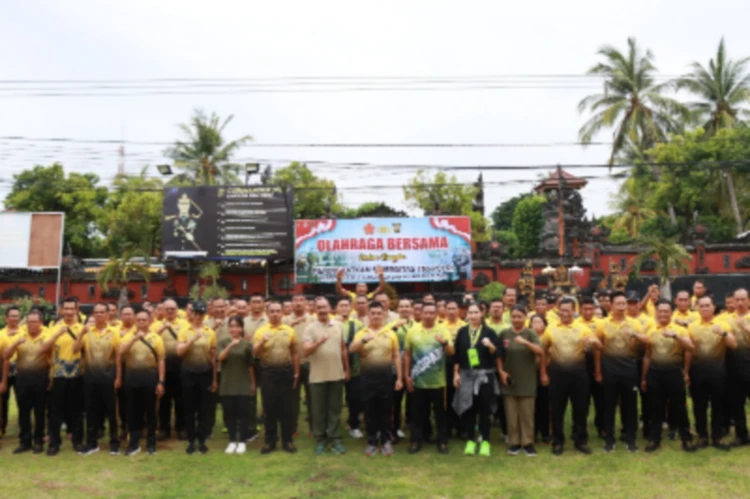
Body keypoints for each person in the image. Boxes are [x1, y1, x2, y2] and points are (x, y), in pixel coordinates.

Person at [542, 298, 600, 456]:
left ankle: (580, 441)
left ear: (574, 311)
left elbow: (599, 347)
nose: (565, 313)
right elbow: (543, 351)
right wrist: (543, 372)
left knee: (580, 409)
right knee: (557, 409)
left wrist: (594, 341)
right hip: (557, 374)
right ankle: (558, 441)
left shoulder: (582, 329)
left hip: (579, 375)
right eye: (562, 310)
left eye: (568, 310)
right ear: (558, 310)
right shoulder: (551, 329)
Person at [594, 291, 646, 453]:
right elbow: (598, 350)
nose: (623, 307)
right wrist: (598, 371)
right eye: (619, 304)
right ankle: (609, 439)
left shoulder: (635, 323)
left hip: (629, 371)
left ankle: (630, 438)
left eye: (624, 303)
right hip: (609, 370)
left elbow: (646, 342)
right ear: (611, 305)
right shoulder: (602, 324)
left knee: (630, 407)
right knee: (609, 406)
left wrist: (634, 334)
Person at [641, 299, 696, 453]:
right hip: (655, 374)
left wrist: (675, 336)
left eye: (666, 311)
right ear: (656, 312)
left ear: (671, 313)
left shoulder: (680, 330)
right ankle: (654, 439)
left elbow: (691, 348)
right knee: (655, 407)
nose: (663, 314)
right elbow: (647, 356)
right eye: (660, 311)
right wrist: (644, 378)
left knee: (680, 407)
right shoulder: (651, 331)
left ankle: (687, 439)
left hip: (674, 373)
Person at [350, 302, 403, 457]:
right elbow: (351, 349)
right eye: (373, 313)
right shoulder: (362, 333)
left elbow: (396, 356)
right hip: (367, 379)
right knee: (370, 411)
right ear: (368, 315)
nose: (376, 316)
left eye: (379, 313)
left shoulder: (390, 333)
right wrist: (365, 339)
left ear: (384, 315)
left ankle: (386, 441)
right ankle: (372, 441)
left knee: (386, 411)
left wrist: (399, 378)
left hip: (386, 378)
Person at [687, 296, 736, 450]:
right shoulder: (692, 327)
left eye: (708, 305)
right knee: (699, 406)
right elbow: (688, 351)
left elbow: (734, 344)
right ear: (697, 308)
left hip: (718, 373)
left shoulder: (722, 325)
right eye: (702, 306)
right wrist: (686, 372)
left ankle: (717, 437)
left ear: (713, 307)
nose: (705, 308)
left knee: (718, 406)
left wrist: (723, 333)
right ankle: (702, 436)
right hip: (698, 373)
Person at [452, 303, 501, 457]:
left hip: (484, 376)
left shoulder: (489, 332)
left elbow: (498, 353)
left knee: (484, 410)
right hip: (466, 375)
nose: (473, 316)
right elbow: (457, 356)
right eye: (470, 313)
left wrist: (490, 345)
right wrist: (456, 374)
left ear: (482, 314)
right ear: (467, 315)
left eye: (476, 312)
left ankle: (485, 440)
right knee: (468, 408)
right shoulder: (462, 332)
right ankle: (471, 440)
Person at [404, 302, 453, 454]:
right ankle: (415, 441)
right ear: (421, 313)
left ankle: (442, 441)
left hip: (438, 382)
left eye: (433, 313)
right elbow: (407, 355)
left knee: (440, 414)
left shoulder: (443, 330)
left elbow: (451, 352)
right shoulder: (413, 331)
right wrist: (406, 375)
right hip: (418, 380)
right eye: (427, 312)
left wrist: (444, 342)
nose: (429, 315)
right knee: (418, 414)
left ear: (436, 314)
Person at [73, 303, 122, 455]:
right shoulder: (87, 332)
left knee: (112, 413)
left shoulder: (114, 332)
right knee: (91, 412)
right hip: (90, 379)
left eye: (102, 312)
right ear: (93, 315)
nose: (99, 315)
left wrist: (119, 377)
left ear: (108, 314)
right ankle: (91, 443)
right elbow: (75, 350)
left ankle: (114, 443)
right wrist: (81, 333)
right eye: (96, 313)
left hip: (108, 378)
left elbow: (118, 356)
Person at [498, 305, 547, 457]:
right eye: (514, 316)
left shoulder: (530, 333)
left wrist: (525, 342)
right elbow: (499, 355)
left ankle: (527, 443)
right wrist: (501, 371)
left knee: (527, 413)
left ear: (525, 317)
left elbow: (540, 352)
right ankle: (514, 443)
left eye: (520, 316)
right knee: (511, 414)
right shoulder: (504, 333)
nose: (516, 319)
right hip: (510, 379)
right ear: (510, 317)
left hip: (527, 378)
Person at [304, 297, 349, 455]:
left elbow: (343, 349)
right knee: (319, 410)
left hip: (336, 374)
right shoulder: (310, 328)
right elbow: (306, 351)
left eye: (325, 306)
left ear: (330, 307)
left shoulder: (339, 325)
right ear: (315, 309)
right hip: (317, 376)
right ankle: (320, 439)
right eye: (319, 307)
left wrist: (347, 369)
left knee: (335, 409)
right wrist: (319, 342)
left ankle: (335, 438)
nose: (322, 310)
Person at [0, 310, 49, 454]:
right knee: (24, 412)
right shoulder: (20, 336)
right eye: (29, 322)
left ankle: (38, 441)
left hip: (41, 378)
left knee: (39, 412)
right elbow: (6, 356)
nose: (31, 325)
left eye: (34, 322)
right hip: (23, 379)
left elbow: (52, 360)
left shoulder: (46, 337)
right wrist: (15, 342)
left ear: (41, 323)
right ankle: (25, 442)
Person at [253, 302, 299, 454]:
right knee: (269, 409)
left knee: (287, 409)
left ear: (282, 313)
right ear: (267, 313)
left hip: (286, 373)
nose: (275, 314)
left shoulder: (289, 330)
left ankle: (287, 441)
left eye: (278, 311)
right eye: (272, 311)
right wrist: (262, 341)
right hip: (268, 373)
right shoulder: (261, 331)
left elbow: (295, 353)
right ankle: (270, 441)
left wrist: (296, 372)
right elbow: (255, 353)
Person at [119, 309, 166, 456]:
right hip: (132, 378)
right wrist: (134, 338)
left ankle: (151, 444)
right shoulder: (128, 336)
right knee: (133, 412)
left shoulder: (156, 338)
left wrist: (161, 381)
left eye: (144, 320)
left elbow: (161, 360)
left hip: (150, 377)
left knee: (151, 412)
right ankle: (133, 444)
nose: (141, 322)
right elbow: (120, 352)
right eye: (138, 319)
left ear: (149, 321)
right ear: (134, 321)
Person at [42, 297, 85, 454]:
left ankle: (78, 441)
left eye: (71, 309)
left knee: (77, 410)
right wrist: (56, 334)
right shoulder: (54, 327)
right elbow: (43, 348)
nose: (68, 312)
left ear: (76, 310)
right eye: (65, 309)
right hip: (58, 375)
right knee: (55, 411)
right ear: (61, 310)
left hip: (77, 374)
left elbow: (80, 349)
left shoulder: (82, 328)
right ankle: (54, 443)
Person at [177, 301, 218, 454]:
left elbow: (213, 357)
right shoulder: (184, 331)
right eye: (196, 313)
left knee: (203, 408)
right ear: (192, 314)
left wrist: (214, 379)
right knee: (189, 407)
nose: (199, 316)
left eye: (201, 314)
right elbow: (180, 352)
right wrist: (193, 339)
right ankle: (191, 440)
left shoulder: (210, 332)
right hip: (188, 373)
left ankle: (202, 440)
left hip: (205, 373)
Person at [217, 316, 256, 455]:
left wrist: (252, 383)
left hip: (243, 384)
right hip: (227, 384)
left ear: (241, 328)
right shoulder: (223, 342)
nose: (234, 329)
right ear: (228, 328)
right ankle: (232, 441)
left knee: (243, 415)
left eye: (237, 326)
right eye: (232, 326)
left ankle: (243, 442)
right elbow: (220, 358)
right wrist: (230, 346)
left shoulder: (247, 344)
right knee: (229, 415)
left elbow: (251, 366)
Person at [152, 299, 188, 441]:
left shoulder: (185, 325)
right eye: (167, 309)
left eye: (173, 309)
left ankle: (181, 428)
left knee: (181, 399)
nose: (170, 311)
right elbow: (150, 340)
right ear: (162, 310)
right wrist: (162, 328)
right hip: (162, 366)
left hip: (180, 365)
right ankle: (164, 428)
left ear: (177, 309)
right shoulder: (155, 325)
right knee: (163, 399)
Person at [283, 294, 314, 437]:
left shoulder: (313, 319)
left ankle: (314, 428)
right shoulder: (285, 319)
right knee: (291, 398)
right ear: (292, 303)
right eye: (296, 300)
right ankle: (292, 427)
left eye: (302, 300)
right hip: (290, 364)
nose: (299, 303)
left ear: (306, 303)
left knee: (312, 398)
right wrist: (294, 323)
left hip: (310, 364)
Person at [574, 297, 604, 438]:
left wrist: (598, 371)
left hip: (597, 364)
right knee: (581, 400)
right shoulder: (574, 324)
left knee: (600, 399)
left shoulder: (600, 324)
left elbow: (603, 347)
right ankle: (579, 429)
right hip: (579, 365)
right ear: (580, 309)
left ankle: (601, 426)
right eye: (585, 309)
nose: (588, 311)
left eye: (591, 309)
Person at [336, 298, 364, 439]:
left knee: (354, 398)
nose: (344, 308)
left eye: (347, 305)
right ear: (336, 308)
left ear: (351, 308)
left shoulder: (357, 324)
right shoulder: (332, 323)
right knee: (335, 399)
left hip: (354, 367)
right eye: (341, 305)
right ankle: (333, 427)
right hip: (334, 367)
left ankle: (354, 425)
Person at [388, 298, 414, 441]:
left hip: (413, 368)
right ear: (397, 309)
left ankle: (413, 426)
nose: (404, 309)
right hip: (395, 368)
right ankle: (395, 428)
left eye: (407, 306)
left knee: (414, 400)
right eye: (401, 306)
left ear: (411, 309)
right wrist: (395, 327)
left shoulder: (417, 325)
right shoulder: (391, 326)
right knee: (395, 400)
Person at [727, 288, 750, 446]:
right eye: (738, 299)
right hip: (734, 367)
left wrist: (745, 327)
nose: (740, 302)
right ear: (733, 301)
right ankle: (741, 436)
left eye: (743, 299)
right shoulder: (727, 319)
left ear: (749, 301)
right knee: (737, 403)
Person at [244, 294, 267, 441]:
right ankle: (251, 426)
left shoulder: (270, 319)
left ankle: (267, 421)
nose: (256, 304)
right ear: (249, 304)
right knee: (250, 394)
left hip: (266, 361)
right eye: (254, 302)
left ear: (263, 304)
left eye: (259, 301)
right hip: (249, 362)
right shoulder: (244, 321)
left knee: (268, 393)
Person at [443, 300, 467, 437]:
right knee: (448, 395)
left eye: (454, 308)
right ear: (445, 310)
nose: (451, 311)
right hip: (446, 363)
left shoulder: (464, 326)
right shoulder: (440, 326)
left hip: (462, 362)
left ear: (459, 310)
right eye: (449, 308)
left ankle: (461, 427)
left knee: (462, 394)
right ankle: (448, 426)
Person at [0, 306, 23, 437]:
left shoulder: (24, 331)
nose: (15, 318)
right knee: (3, 400)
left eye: (17, 316)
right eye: (12, 316)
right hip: (3, 370)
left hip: (21, 370)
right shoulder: (1, 333)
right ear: (6, 318)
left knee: (22, 400)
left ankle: (23, 428)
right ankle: (2, 428)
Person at [117, 306, 137, 441]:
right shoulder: (115, 331)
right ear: (120, 316)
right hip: (120, 368)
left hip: (137, 368)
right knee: (122, 400)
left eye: (130, 314)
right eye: (124, 314)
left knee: (136, 399)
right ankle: (125, 426)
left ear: (134, 315)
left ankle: (137, 427)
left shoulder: (140, 329)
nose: (127, 317)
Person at [529, 314, 550, 443]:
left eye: (539, 322)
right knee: (532, 405)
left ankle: (546, 432)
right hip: (529, 375)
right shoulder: (527, 338)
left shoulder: (547, 338)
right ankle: (533, 432)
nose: (537, 325)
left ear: (544, 325)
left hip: (546, 373)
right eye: (534, 322)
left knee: (545, 404)